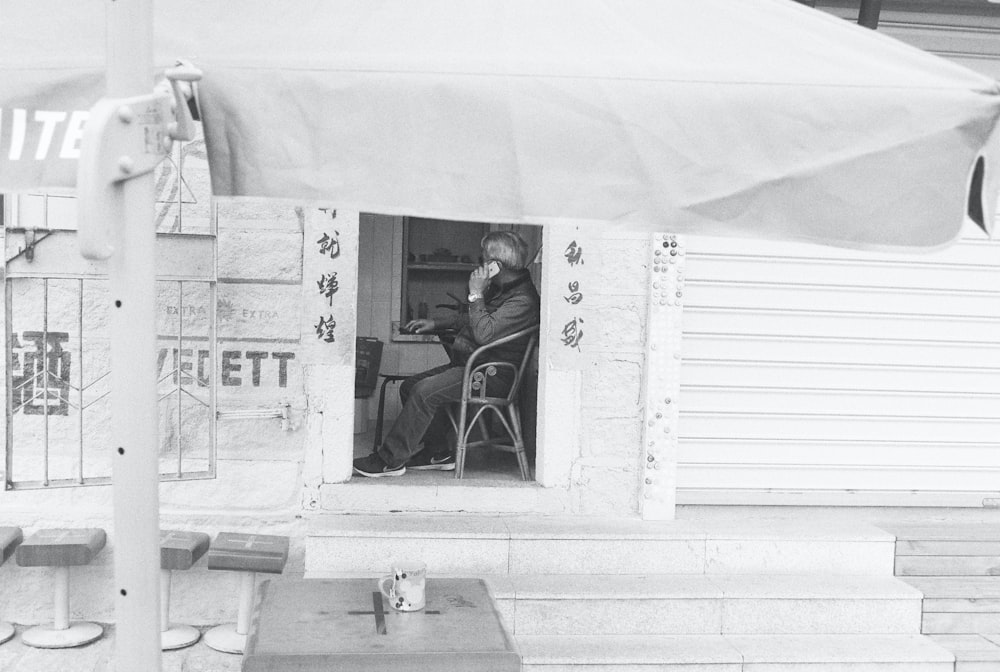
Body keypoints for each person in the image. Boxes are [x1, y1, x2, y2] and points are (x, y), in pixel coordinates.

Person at [353, 231, 540, 477]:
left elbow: (484, 332)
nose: (479, 264)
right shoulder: (503, 290)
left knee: (423, 392)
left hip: (491, 375)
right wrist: (436, 323)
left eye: (483, 259)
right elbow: (472, 318)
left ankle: (389, 460)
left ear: (496, 265)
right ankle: (437, 452)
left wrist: (476, 293)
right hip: (473, 367)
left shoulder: (523, 299)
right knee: (410, 386)